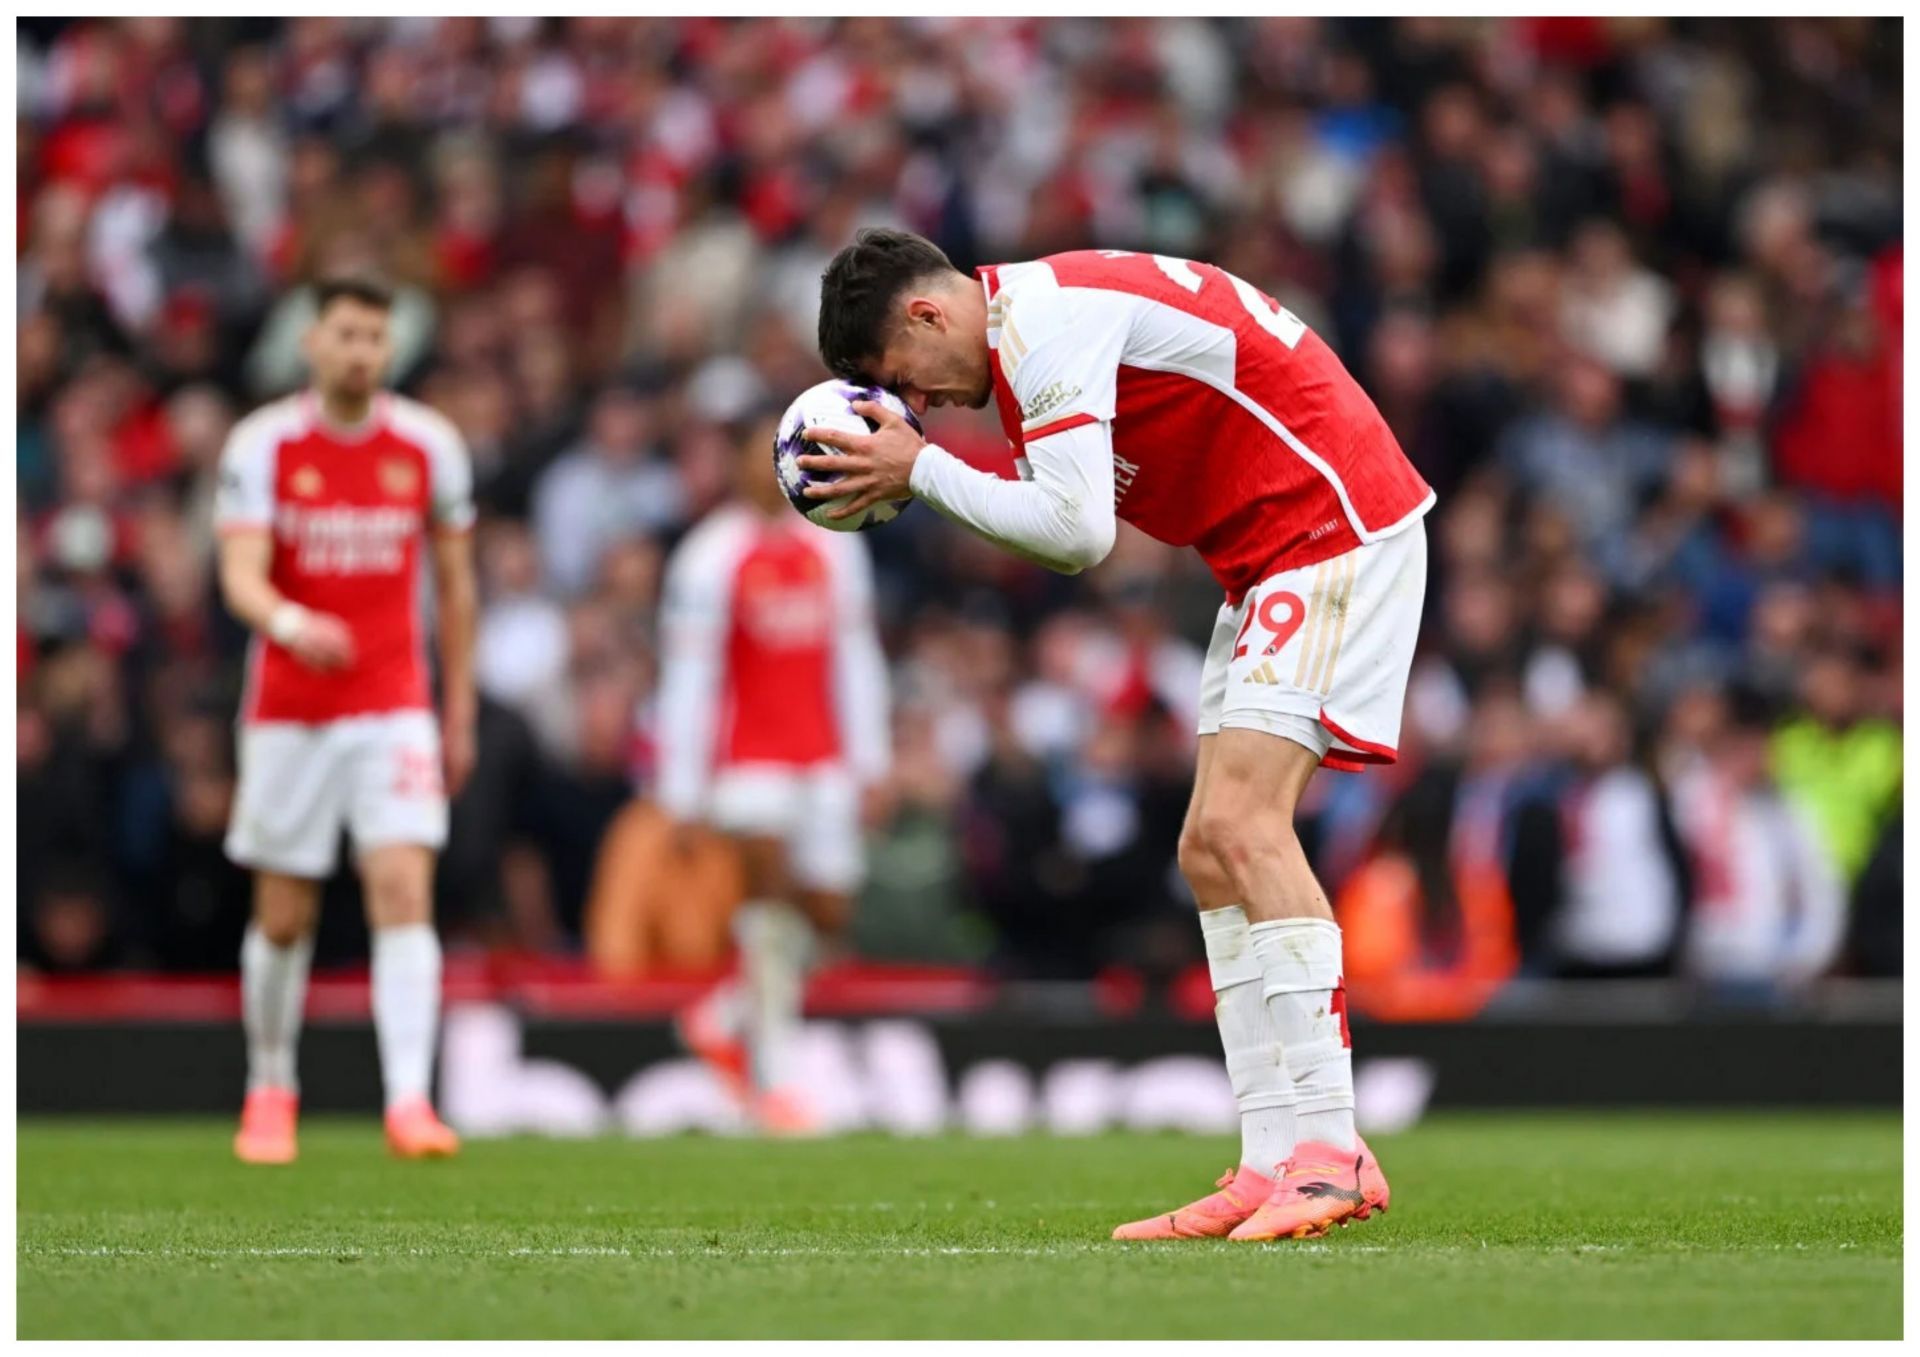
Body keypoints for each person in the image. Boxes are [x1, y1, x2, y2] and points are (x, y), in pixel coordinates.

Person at [804, 229, 1433, 1240]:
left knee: (1246, 827)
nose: (916, 406)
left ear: (926, 315)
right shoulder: (1027, 336)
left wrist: (920, 469)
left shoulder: (1045, 323)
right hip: (1269, 549)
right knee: (1206, 847)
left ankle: (1332, 1147)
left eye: (901, 381)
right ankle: (1273, 1156)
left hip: (1333, 527)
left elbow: (1078, 534)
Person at [215, 277, 477, 1163]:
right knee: (284, 911)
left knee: (403, 889)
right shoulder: (265, 445)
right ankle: (270, 1085)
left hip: (393, 702)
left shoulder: (429, 446)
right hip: (290, 709)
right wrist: (291, 621)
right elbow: (241, 574)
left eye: (377, 335)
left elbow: (456, 587)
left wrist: (459, 706)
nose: (363, 350)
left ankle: (409, 1101)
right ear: (311, 342)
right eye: (348, 334)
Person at [656, 410, 891, 1134]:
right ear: (732, 465)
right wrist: (681, 790)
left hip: (822, 759)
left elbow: (856, 656)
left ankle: (722, 1016)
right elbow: (688, 676)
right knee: (769, 897)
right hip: (745, 761)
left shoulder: (836, 542)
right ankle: (778, 1080)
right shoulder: (708, 556)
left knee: (827, 914)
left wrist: (871, 759)